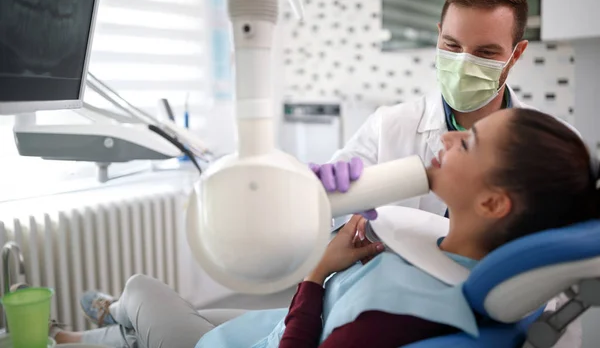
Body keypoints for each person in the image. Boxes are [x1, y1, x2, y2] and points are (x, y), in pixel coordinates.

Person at [48, 108, 599, 347]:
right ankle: (101, 332)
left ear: (495, 201)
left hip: (297, 325)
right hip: (289, 325)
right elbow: (324, 200)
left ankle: (113, 318)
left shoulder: (393, 317)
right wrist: (321, 188)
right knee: (166, 319)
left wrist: (317, 272)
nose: (451, 138)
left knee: (142, 287)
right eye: (451, 44)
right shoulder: (449, 254)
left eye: (471, 143)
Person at [311, 0, 582, 347]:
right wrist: (324, 191)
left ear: (516, 53)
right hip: (373, 314)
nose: (463, 63)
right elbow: (325, 217)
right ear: (438, 35)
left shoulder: (551, 151)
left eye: (486, 53)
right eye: (452, 46)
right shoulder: (390, 126)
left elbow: (553, 275)